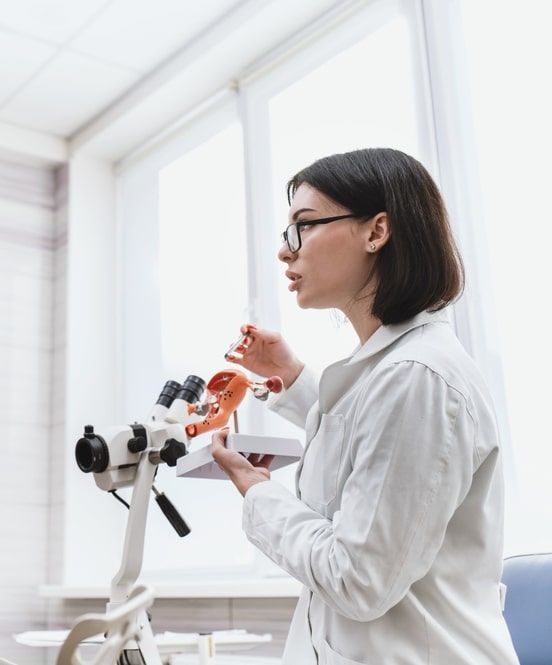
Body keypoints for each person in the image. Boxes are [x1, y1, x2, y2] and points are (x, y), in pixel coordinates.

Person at [209, 148, 519, 664]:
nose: (285, 253)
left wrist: (258, 493)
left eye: (303, 227)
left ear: (377, 232)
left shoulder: (416, 378)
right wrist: (292, 379)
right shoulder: (393, 372)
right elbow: (367, 440)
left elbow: (357, 580)